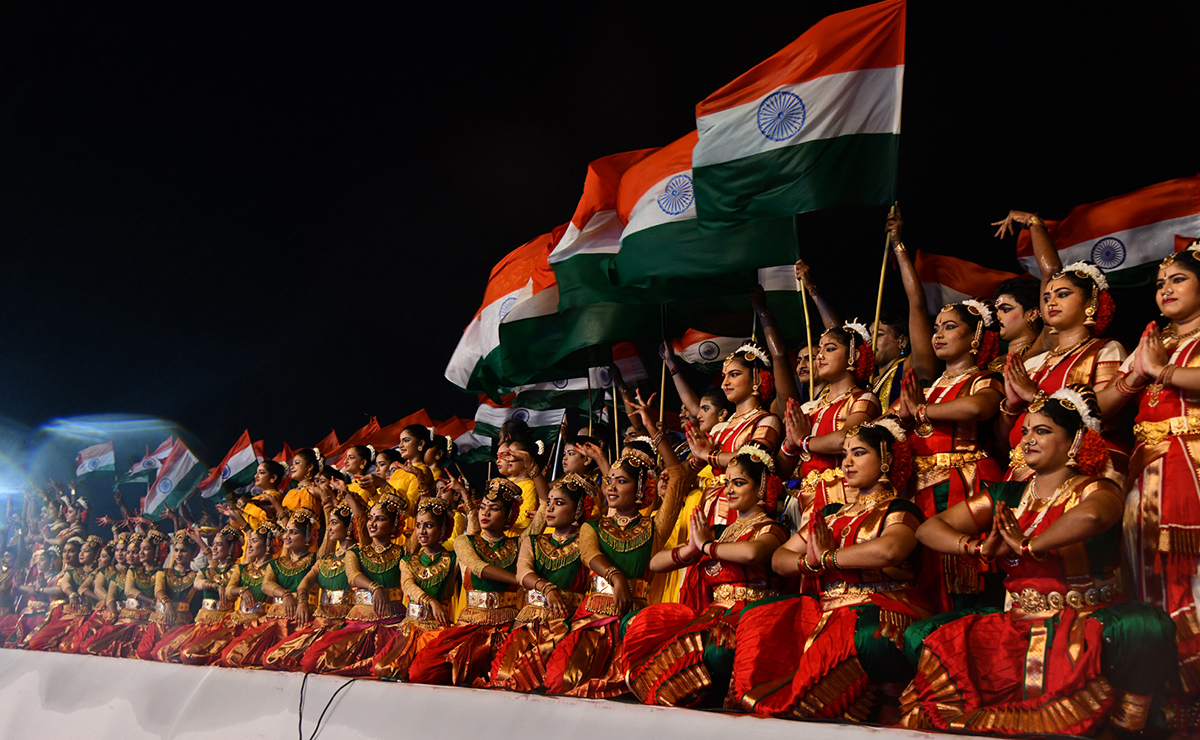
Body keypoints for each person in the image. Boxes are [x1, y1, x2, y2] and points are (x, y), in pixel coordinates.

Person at [901, 386, 1173, 736]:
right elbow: (929, 530)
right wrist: (978, 549)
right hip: (1020, 621)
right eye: (1025, 431)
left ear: (1075, 441)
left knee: (1145, 627)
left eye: (1042, 431)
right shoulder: (1008, 494)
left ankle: (1121, 729)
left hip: (1085, 619)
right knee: (923, 635)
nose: (1028, 439)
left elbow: (1094, 517)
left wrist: (1029, 544)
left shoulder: (1094, 488)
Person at [732, 419, 931, 721]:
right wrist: (810, 562)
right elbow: (779, 560)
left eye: (859, 453)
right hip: (828, 613)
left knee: (860, 634)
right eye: (845, 454)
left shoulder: (899, 510)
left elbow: (889, 549)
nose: (847, 462)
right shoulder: (831, 515)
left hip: (879, 606)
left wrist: (828, 558)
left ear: (886, 460)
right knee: (759, 622)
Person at [1099, 243, 1200, 728]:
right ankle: (1161, 698)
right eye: (1161, 284)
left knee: (1192, 583)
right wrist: (1138, 372)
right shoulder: (1153, 342)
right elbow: (1104, 405)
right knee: (1146, 584)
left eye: (1177, 279)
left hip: (1191, 475)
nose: (1165, 289)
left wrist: (1160, 370)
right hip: (1146, 476)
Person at [622, 446, 786, 707]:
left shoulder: (771, 528)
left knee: (717, 649)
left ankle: (718, 698)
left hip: (751, 614)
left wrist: (708, 547)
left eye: (739, 483)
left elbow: (753, 553)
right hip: (713, 612)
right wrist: (691, 548)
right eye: (727, 482)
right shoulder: (720, 532)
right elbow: (655, 563)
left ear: (762, 488)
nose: (729, 489)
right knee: (639, 625)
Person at [543, 429, 686, 699]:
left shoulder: (654, 527)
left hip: (633, 618)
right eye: (609, 481)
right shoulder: (592, 526)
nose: (611, 487)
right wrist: (616, 577)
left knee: (637, 686)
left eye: (620, 482)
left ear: (641, 487)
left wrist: (656, 435)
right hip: (592, 616)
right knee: (560, 681)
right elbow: (589, 555)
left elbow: (677, 475)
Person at [894, 300, 1005, 610]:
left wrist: (919, 412)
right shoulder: (925, 389)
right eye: (936, 327)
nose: (938, 334)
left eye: (950, 326)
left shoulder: (984, 379)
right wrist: (907, 413)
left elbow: (976, 407)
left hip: (965, 481)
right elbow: (887, 425)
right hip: (921, 488)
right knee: (927, 574)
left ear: (975, 338)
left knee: (966, 577)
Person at [406, 476, 526, 685]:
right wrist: (523, 580)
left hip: (507, 624)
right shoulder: (465, 542)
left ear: (509, 515)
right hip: (471, 623)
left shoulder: (520, 543)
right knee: (421, 671)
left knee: (506, 677)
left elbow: (543, 511)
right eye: (483, 507)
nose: (485, 513)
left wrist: (533, 471)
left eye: (494, 509)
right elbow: (479, 569)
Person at [489, 473, 596, 692]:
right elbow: (522, 573)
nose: (550, 508)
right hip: (530, 621)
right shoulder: (534, 541)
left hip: (567, 622)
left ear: (577, 510)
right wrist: (546, 588)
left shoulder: (587, 540)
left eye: (559, 503)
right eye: (549, 503)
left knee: (558, 679)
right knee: (504, 676)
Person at [778, 321, 880, 529]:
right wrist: (789, 445)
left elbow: (846, 439)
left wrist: (803, 441)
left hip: (843, 496)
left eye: (830, 349)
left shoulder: (863, 400)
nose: (820, 356)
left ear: (854, 356)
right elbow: (781, 469)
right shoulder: (807, 409)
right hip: (804, 500)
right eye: (820, 351)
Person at [299, 491, 408, 676]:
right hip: (358, 622)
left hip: (392, 622)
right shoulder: (357, 553)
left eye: (379, 519)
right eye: (371, 518)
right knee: (312, 661)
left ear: (394, 525)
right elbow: (353, 576)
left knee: (388, 667)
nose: (372, 523)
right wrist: (375, 587)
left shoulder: (402, 552)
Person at [686, 343, 783, 528]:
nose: (725, 383)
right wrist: (691, 462)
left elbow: (752, 460)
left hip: (742, 509)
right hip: (710, 504)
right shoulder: (719, 428)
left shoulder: (766, 421)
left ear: (757, 379)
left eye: (734, 374)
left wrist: (708, 455)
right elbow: (692, 469)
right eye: (724, 376)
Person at [370, 496, 459, 680]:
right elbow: (408, 586)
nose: (422, 531)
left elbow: (472, 534)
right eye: (418, 525)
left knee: (420, 672)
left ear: (442, 529)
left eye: (429, 525)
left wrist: (471, 509)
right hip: (410, 627)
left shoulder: (453, 559)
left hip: (437, 628)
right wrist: (429, 601)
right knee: (383, 668)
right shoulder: (408, 561)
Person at [219, 509, 318, 668]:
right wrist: (284, 594)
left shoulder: (316, 560)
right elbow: (266, 585)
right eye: (286, 532)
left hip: (302, 620)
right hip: (274, 621)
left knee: (277, 659)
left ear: (307, 536)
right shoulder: (276, 564)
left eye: (293, 532)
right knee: (231, 655)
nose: (287, 536)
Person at [176, 525, 242, 664]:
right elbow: (197, 583)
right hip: (202, 622)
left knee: (190, 654)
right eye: (213, 545)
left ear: (230, 548)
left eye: (219, 545)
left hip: (223, 625)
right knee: (169, 652)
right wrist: (214, 585)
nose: (214, 548)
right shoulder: (209, 570)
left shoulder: (237, 569)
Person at [146, 531, 202, 661]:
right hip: (160, 620)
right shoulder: (163, 573)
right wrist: (167, 603)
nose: (178, 554)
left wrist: (200, 542)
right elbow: (159, 590)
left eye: (183, 551)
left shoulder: (197, 576)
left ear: (193, 554)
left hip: (181, 623)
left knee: (160, 654)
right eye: (176, 550)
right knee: (144, 652)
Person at [991, 276, 1046, 370]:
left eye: (1006, 310)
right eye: (997, 311)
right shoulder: (994, 363)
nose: (997, 316)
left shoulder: (1043, 357)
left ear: (1032, 314)